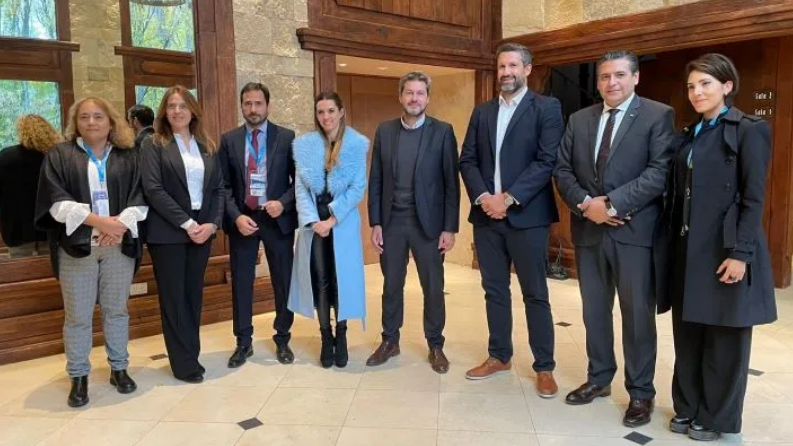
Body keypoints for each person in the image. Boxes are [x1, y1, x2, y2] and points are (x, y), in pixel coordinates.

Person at [655, 53, 776, 442]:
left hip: (725, 250)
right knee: (689, 334)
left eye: (705, 83)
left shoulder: (749, 129)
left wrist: (741, 253)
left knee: (724, 340)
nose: (696, 92)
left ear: (727, 86)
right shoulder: (689, 134)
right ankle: (688, 407)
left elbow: (753, 197)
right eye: (691, 86)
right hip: (688, 248)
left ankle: (718, 418)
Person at [553, 50, 675, 427]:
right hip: (588, 232)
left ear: (635, 78)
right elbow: (562, 169)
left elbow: (659, 172)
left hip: (633, 233)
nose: (611, 83)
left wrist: (613, 204)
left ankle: (640, 393)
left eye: (620, 75)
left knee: (637, 316)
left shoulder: (657, 115)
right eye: (605, 76)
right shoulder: (579, 119)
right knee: (594, 312)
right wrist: (586, 204)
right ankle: (599, 378)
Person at [459, 42, 563, 398]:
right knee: (494, 291)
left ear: (528, 69)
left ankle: (544, 367)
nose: (506, 72)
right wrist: (485, 198)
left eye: (513, 66)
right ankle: (499, 356)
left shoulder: (547, 108)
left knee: (535, 294)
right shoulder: (482, 112)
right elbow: (467, 160)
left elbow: (546, 160)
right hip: (487, 217)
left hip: (527, 217)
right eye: (501, 66)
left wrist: (509, 197)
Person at [34, 97, 147, 407]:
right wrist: (100, 223)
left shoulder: (129, 155)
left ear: (111, 121)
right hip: (77, 248)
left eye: (99, 116)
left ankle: (119, 369)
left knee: (117, 311)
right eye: (84, 117)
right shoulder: (60, 155)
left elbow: (141, 196)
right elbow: (56, 202)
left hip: (117, 248)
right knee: (78, 316)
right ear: (76, 122)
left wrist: (118, 227)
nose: (92, 122)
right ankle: (79, 376)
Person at [366, 71, 460, 374]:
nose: (414, 98)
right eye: (409, 92)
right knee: (391, 285)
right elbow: (376, 179)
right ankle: (390, 341)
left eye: (420, 93)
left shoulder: (443, 132)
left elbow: (450, 184)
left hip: (429, 226)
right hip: (392, 222)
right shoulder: (385, 131)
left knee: (433, 287)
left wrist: (449, 227)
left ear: (427, 98)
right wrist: (376, 222)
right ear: (400, 96)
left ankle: (436, 345)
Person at [140, 86, 224, 383]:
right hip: (169, 234)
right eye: (171, 106)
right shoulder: (154, 144)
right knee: (174, 300)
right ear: (164, 111)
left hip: (203, 233)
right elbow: (153, 190)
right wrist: (188, 224)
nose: (177, 111)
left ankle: (192, 354)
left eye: (183, 105)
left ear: (193, 111)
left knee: (193, 297)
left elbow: (218, 190)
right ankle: (183, 364)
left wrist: (212, 225)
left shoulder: (207, 145)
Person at [218, 82, 297, 367]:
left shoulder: (287, 137)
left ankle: (283, 338)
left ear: (267, 105)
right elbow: (222, 185)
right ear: (242, 106)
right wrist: (235, 216)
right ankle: (243, 342)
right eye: (247, 104)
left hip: (276, 219)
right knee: (241, 282)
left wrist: (283, 203)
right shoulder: (229, 140)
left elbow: (298, 181)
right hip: (244, 220)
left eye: (258, 103)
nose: (253, 109)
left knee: (282, 281)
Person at [289, 91, 368, 368]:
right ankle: (325, 337)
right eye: (321, 112)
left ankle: (342, 336)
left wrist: (332, 220)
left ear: (341, 111)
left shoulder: (356, 144)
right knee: (320, 280)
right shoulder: (305, 145)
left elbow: (358, 188)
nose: (326, 117)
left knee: (341, 280)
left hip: (342, 222)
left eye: (331, 111)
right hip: (314, 225)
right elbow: (300, 189)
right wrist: (313, 221)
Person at [0, 114, 61, 257]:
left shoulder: (5, 156)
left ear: (21, 132)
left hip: (16, 227)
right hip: (49, 225)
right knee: (51, 272)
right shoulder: (55, 156)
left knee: (21, 270)